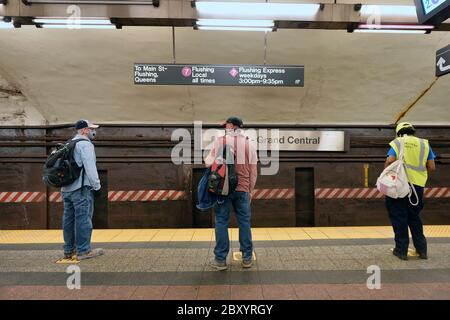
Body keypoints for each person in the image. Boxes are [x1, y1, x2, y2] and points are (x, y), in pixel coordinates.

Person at [205, 116, 258, 270]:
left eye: (226, 126)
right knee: (244, 222)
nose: (224, 128)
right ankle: (247, 258)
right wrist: (250, 191)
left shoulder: (220, 141)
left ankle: (220, 260)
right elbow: (253, 172)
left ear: (232, 126)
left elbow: (208, 162)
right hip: (242, 189)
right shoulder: (250, 145)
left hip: (223, 189)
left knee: (221, 221)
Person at [384, 122, 436, 260]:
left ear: (399, 132)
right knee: (415, 217)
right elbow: (431, 167)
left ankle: (401, 251)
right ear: (413, 131)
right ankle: (422, 250)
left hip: (400, 186)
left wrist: (387, 171)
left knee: (399, 216)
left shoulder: (398, 142)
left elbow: (390, 161)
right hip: (417, 186)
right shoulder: (424, 144)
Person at [60, 120, 104, 261]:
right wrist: (97, 187)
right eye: (91, 129)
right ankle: (83, 250)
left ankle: (68, 250)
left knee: (68, 219)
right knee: (83, 218)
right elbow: (90, 169)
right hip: (81, 189)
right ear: (85, 130)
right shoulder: (85, 145)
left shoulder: (69, 143)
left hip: (66, 188)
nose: (93, 131)